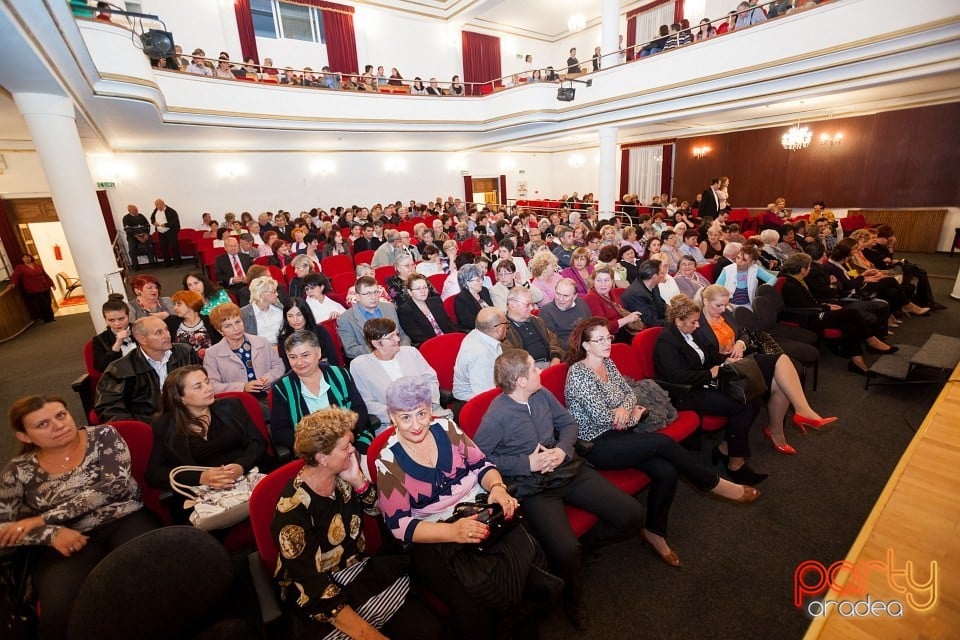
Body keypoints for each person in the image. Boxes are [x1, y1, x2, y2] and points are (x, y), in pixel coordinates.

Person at [472, 349, 646, 630]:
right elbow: (480, 459)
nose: (540, 372)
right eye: (534, 370)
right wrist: (526, 462)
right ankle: (573, 601)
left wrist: (562, 451)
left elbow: (568, 424)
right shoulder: (497, 416)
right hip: (533, 487)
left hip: (565, 469)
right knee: (566, 551)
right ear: (519, 380)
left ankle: (588, 545)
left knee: (633, 515)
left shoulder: (540, 395)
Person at [564, 317, 760, 564]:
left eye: (608, 337)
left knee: (666, 471)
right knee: (663, 443)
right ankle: (710, 482)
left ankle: (654, 532)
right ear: (585, 345)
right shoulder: (578, 373)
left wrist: (630, 411)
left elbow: (629, 394)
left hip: (622, 435)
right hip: (596, 445)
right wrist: (631, 414)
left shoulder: (608, 363)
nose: (606, 343)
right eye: (599, 340)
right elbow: (604, 418)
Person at [375, 376, 552, 639]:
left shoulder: (447, 429)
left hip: (478, 510)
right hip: (435, 534)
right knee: (474, 605)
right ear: (392, 417)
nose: (416, 425)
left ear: (429, 409)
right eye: (405, 417)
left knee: (522, 565)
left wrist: (497, 489)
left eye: (421, 414)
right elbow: (400, 526)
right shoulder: (388, 461)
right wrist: (454, 533)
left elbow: (482, 466)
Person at [0, 396, 159, 640]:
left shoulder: (103, 436)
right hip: (65, 539)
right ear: (25, 436)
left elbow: (113, 486)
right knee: (63, 609)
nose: (58, 425)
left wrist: (44, 518)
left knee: (155, 575)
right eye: (42, 424)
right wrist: (50, 533)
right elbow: (6, 527)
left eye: (61, 415)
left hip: (124, 518)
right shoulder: (17, 471)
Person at [275, 407, 441, 640]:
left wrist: (358, 482)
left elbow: (380, 513)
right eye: (345, 447)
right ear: (322, 458)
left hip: (357, 572)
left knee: (427, 630)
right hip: (318, 591)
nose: (353, 450)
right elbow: (314, 586)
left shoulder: (343, 478)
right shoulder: (292, 510)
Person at [696, 285, 835, 454]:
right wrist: (725, 358)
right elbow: (703, 356)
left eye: (726, 304)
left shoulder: (725, 315)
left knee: (781, 378)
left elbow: (744, 334)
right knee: (781, 368)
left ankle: (781, 428)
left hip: (743, 361)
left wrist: (740, 343)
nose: (724, 309)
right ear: (705, 301)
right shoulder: (697, 324)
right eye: (719, 305)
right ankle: (792, 419)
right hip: (724, 370)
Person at [653, 295, 767, 485]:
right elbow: (676, 376)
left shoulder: (691, 332)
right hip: (685, 393)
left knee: (753, 396)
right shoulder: (667, 340)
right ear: (678, 321)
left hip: (703, 381)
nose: (698, 326)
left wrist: (724, 361)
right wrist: (710, 374)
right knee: (743, 404)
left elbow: (708, 353)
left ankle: (725, 448)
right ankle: (735, 463)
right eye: (693, 322)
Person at [146, 366, 268, 520]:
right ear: (180, 397)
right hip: (202, 493)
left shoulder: (232, 406)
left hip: (246, 478)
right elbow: (155, 473)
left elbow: (258, 443)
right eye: (198, 386)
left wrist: (241, 466)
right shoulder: (163, 425)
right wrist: (202, 477)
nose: (208, 388)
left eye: (207, 382)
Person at [779, 254, 894, 376]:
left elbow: (808, 301)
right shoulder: (790, 284)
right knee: (852, 313)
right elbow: (802, 306)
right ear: (802, 269)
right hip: (808, 318)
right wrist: (826, 307)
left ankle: (857, 362)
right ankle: (870, 340)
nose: (809, 269)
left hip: (815, 311)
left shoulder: (797, 279)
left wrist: (824, 305)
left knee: (850, 325)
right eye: (808, 267)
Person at [271, 330, 371, 452]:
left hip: (350, 439)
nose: (299, 362)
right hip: (312, 451)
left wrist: (348, 433)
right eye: (293, 357)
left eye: (305, 355)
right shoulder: (282, 388)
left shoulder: (340, 374)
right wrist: (313, 445)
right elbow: (280, 431)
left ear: (318, 353)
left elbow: (359, 409)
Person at [95, 316, 200, 422]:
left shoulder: (186, 353)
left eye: (166, 329)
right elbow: (108, 408)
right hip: (149, 424)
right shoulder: (120, 369)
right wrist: (138, 429)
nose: (167, 335)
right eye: (159, 333)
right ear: (142, 339)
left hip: (188, 416)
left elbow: (202, 384)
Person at [350, 318, 449, 425]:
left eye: (397, 334)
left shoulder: (411, 352)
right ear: (376, 344)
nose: (397, 339)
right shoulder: (359, 366)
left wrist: (423, 406)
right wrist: (401, 415)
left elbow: (430, 380)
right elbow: (367, 402)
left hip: (427, 411)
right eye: (391, 337)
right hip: (392, 422)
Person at [203, 302, 284, 410]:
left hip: (268, 397)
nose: (236, 328)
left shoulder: (262, 341)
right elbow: (212, 385)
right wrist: (243, 387)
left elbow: (279, 365)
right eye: (228, 326)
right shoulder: (212, 353)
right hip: (236, 405)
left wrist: (268, 378)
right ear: (220, 331)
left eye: (238, 322)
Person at [337, 276, 410, 360]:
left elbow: (402, 333)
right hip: (372, 360)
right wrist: (382, 349)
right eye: (368, 293)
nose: (373, 297)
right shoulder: (346, 319)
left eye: (376, 292)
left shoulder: (389, 307)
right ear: (357, 296)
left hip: (399, 354)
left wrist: (403, 350)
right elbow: (351, 350)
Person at [452, 307, 508, 401]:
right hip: (473, 400)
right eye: (506, 324)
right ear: (499, 329)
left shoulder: (478, 333)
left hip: (491, 386)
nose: (507, 328)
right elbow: (486, 395)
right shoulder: (482, 355)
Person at [503, 288, 564, 367]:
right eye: (527, 305)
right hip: (527, 370)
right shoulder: (504, 330)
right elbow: (512, 360)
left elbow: (553, 342)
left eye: (532, 304)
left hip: (550, 362)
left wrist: (556, 358)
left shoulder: (536, 320)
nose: (532, 308)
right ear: (513, 306)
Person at [396, 273, 460, 347]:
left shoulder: (436, 301)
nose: (423, 291)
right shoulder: (405, 310)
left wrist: (455, 337)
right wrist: (440, 343)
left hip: (448, 340)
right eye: (418, 288)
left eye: (425, 287)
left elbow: (449, 323)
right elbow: (418, 336)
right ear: (410, 292)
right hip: (430, 346)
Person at [583, 266, 644, 344]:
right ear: (593, 282)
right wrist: (627, 319)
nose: (603, 284)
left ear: (612, 281)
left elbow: (621, 314)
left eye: (607, 280)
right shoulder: (591, 298)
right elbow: (603, 327)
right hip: (609, 339)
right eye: (599, 280)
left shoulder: (612, 293)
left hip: (623, 331)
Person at [537, 278, 592, 348]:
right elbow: (552, 343)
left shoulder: (581, 303)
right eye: (558, 294)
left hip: (587, 345)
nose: (560, 299)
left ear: (574, 296)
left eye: (565, 296)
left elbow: (590, 326)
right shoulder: (546, 311)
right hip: (567, 351)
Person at [92, 294, 138, 372]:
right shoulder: (100, 340)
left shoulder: (140, 329)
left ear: (128, 316)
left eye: (121, 319)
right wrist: (117, 345)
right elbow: (100, 367)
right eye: (111, 320)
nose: (117, 324)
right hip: (122, 380)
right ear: (105, 319)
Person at [166, 289, 219, 356]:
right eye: (175, 304)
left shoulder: (210, 321)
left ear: (190, 303)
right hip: (183, 365)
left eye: (179, 304)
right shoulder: (171, 322)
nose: (174, 308)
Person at [453, 263, 494, 331]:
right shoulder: (461, 299)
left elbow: (492, 309)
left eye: (481, 278)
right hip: (475, 330)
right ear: (467, 283)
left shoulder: (484, 291)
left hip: (491, 325)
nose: (481, 281)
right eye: (477, 280)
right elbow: (468, 322)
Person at [122, 204, 155, 270]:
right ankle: (136, 267)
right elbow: (128, 230)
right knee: (132, 250)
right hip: (133, 237)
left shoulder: (141, 216)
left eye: (136, 209)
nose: (136, 210)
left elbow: (147, 225)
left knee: (150, 246)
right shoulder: (126, 218)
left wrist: (146, 234)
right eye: (134, 210)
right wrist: (138, 237)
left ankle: (152, 264)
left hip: (144, 235)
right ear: (129, 211)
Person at [150, 198, 181, 266]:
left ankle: (178, 262)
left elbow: (174, 221)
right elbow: (152, 218)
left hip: (171, 231)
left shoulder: (171, 211)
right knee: (163, 247)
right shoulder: (155, 210)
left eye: (159, 205)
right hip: (161, 232)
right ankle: (168, 262)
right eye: (156, 206)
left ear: (163, 203)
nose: (158, 207)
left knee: (174, 246)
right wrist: (154, 222)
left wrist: (165, 225)